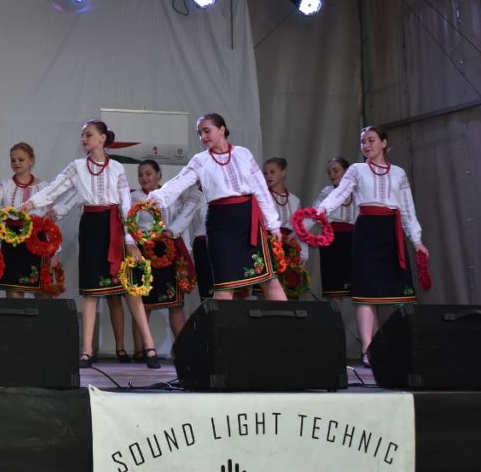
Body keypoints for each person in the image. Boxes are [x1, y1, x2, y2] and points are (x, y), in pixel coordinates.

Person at [18, 120, 160, 369]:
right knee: (91, 291)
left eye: (89, 135)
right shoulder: (77, 167)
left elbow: (126, 204)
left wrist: (130, 240)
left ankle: (150, 348)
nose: (84, 139)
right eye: (83, 135)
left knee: (131, 288)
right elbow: (55, 189)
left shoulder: (116, 167)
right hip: (92, 227)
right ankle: (86, 351)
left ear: (102, 138)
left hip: (115, 227)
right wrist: (30, 204)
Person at [144, 113, 287, 302]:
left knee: (270, 280)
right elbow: (180, 181)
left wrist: (273, 224)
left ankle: (284, 322)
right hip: (220, 225)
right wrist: (158, 196)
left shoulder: (243, 154)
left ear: (221, 129)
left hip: (247, 222)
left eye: (206, 131)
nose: (203, 136)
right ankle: (223, 323)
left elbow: (260, 189)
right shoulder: (200, 160)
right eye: (199, 133)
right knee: (224, 285)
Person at [317, 126, 427, 366]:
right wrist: (320, 211)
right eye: (363, 141)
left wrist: (417, 240)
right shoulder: (357, 170)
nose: (366, 145)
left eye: (371, 140)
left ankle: (405, 346)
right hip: (366, 231)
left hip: (391, 232)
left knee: (402, 294)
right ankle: (368, 350)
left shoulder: (398, 173)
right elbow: (339, 194)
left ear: (384, 143)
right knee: (365, 295)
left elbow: (407, 209)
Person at [129, 160, 202, 360]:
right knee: (142, 303)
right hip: (144, 252)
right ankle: (140, 351)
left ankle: (183, 351)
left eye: (148, 173)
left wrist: (185, 253)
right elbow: (130, 227)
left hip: (170, 250)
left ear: (159, 174)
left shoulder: (172, 195)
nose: (144, 178)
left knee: (175, 303)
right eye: (140, 174)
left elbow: (181, 226)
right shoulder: (134, 198)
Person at [0, 142, 69, 299]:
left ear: (31, 160)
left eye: (21, 159)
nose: (16, 163)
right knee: (14, 291)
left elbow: (50, 223)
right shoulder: (4, 186)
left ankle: (42, 317)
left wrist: (54, 252)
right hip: (12, 243)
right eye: (13, 160)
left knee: (42, 292)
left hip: (38, 242)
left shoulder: (44, 188)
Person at [263, 156, 308, 298]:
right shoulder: (262, 198)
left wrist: (303, 255)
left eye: (272, 172)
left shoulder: (294, 200)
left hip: (289, 249)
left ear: (283, 173)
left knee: (290, 289)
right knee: (267, 291)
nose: (268, 176)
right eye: (265, 173)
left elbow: (300, 228)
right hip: (268, 247)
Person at [313, 157, 357, 299]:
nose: (332, 175)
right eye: (329, 172)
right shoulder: (327, 191)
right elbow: (315, 212)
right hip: (332, 241)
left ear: (346, 171)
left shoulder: (357, 192)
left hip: (353, 241)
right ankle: (334, 312)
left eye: (335, 170)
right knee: (334, 287)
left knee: (357, 286)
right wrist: (299, 230)